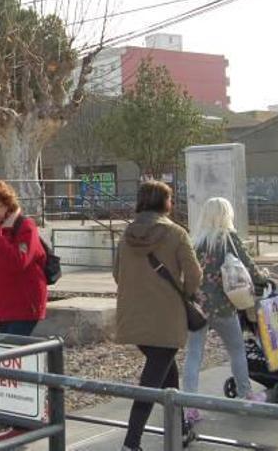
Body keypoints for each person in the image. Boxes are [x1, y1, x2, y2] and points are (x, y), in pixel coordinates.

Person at [115, 180, 202, 451]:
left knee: (166, 373)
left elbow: (117, 273)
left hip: (133, 315)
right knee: (151, 383)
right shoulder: (176, 233)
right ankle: (131, 443)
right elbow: (195, 274)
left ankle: (180, 430)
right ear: (165, 202)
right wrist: (185, 294)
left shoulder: (126, 234)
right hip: (167, 317)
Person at [182, 198, 267, 425]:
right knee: (236, 349)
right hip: (223, 306)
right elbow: (248, 265)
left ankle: (189, 406)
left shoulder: (196, 242)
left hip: (198, 307)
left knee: (193, 354)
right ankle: (245, 394)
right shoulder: (229, 239)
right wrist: (262, 279)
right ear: (226, 215)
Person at [0, 179, 48, 336]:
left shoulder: (26, 227)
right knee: (7, 352)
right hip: (1, 307)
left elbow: (17, 262)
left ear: (7, 205)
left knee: (15, 351)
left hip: (24, 305)